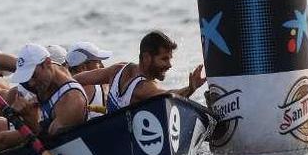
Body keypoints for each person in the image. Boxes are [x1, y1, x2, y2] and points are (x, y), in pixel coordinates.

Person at [74, 31, 206, 113]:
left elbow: (76, 80)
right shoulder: (144, 87)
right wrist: (190, 88)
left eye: (170, 59)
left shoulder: (117, 69)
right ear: (147, 57)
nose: (169, 65)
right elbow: (167, 95)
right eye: (164, 59)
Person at [66, 41, 113, 112]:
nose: (103, 66)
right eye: (98, 62)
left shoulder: (63, 90)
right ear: (83, 67)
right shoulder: (97, 87)